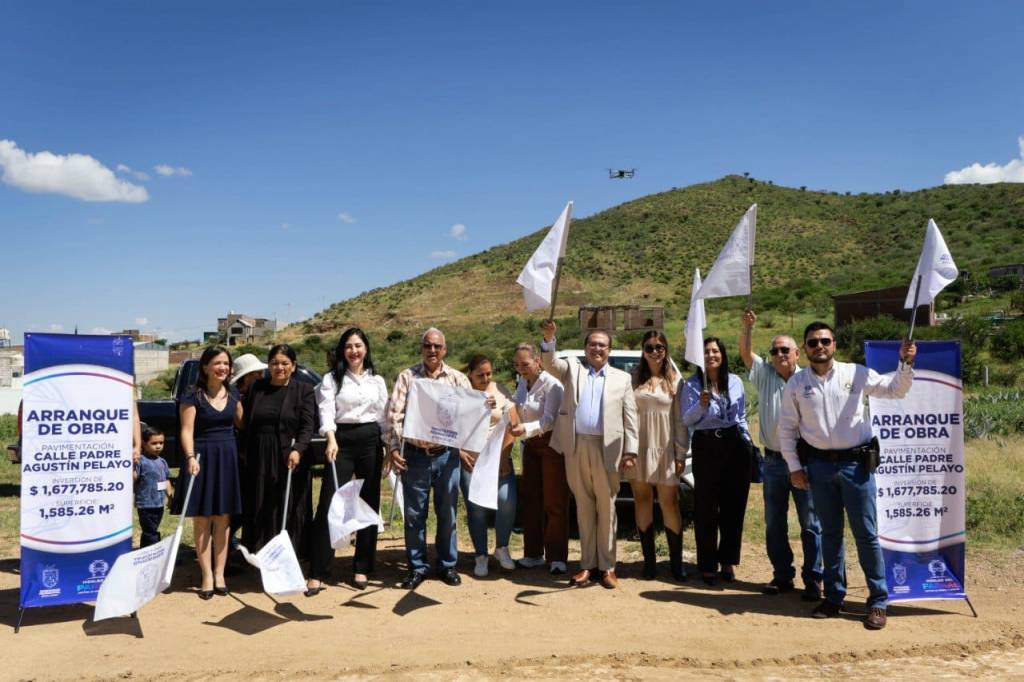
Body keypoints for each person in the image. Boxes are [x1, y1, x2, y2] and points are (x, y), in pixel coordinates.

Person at [778, 321, 916, 630]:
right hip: (819, 468)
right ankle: (835, 596)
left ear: (834, 344)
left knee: (866, 535)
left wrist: (905, 363)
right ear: (806, 348)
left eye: (824, 341)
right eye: (812, 342)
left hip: (856, 467)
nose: (819, 347)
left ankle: (878, 601)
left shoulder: (856, 373)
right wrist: (794, 468)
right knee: (830, 535)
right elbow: (786, 429)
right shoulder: (797, 384)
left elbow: (896, 389)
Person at [540, 319, 639, 589]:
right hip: (576, 447)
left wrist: (631, 450)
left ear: (609, 350)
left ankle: (607, 567)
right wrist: (549, 340)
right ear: (585, 348)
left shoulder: (623, 378)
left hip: (608, 450)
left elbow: (630, 419)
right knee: (584, 507)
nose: (597, 348)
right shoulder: (573, 369)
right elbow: (550, 364)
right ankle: (587, 566)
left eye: (602, 345)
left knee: (607, 507)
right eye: (593, 344)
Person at [738, 310, 823, 600]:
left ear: (797, 353)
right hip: (774, 461)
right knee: (774, 522)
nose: (779, 355)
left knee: (810, 523)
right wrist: (748, 328)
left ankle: (814, 578)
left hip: (806, 462)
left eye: (784, 350)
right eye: (774, 350)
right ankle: (782, 575)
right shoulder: (765, 376)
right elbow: (746, 353)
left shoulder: (809, 379)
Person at [386, 327, 475, 589]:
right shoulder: (407, 378)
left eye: (437, 346)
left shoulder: (458, 379)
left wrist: (484, 406)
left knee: (447, 513)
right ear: (422, 348)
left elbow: (470, 414)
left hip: (447, 457)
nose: (432, 350)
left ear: (445, 350)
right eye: (428, 346)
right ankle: (418, 567)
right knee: (415, 515)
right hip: (415, 456)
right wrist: (394, 448)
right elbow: (393, 416)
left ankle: (447, 566)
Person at [307, 328, 388, 595]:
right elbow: (326, 411)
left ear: (366, 349)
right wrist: (331, 439)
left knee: (367, 503)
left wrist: (389, 446)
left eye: (358, 345)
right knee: (331, 502)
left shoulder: (377, 381)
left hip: (371, 440)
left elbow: (383, 418)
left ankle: (362, 566)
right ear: (343, 351)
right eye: (349, 346)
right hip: (340, 440)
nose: (354, 351)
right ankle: (318, 570)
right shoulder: (332, 379)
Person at [681, 336, 753, 586]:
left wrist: (747, 441)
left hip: (734, 445)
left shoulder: (734, 381)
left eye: (715, 351)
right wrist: (700, 406)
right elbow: (687, 420)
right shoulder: (691, 385)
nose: (711, 355)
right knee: (706, 507)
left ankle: (728, 562)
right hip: (706, 445)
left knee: (733, 507)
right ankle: (708, 564)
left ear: (722, 354)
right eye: (706, 352)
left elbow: (741, 415)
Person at [176, 345, 243, 599]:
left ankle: (220, 574)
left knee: (223, 520)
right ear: (205, 367)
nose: (222, 367)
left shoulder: (234, 394)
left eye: (226, 363)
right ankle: (205, 575)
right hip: (201, 458)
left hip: (227, 458)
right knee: (203, 520)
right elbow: (186, 430)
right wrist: (190, 457)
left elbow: (242, 423)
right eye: (217, 363)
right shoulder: (193, 395)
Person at [240, 344, 316, 558]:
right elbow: (245, 420)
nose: (279, 367)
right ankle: (261, 553)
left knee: (287, 504)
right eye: (274, 363)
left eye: (285, 363)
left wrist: (298, 449)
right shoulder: (257, 388)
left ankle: (290, 555)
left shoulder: (304, 390)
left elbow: (307, 425)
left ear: (293, 366)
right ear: (268, 366)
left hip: (289, 455)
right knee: (260, 503)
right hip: (260, 455)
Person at [626, 330, 688, 581]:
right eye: (650, 347)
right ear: (643, 351)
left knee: (669, 502)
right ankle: (649, 563)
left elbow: (681, 421)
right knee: (642, 501)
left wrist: (681, 452)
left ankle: (676, 564)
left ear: (666, 350)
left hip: (665, 449)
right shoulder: (632, 380)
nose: (655, 352)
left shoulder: (676, 381)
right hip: (638, 448)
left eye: (659, 347)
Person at [510, 343, 569, 575]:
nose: (521, 368)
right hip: (530, 447)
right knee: (531, 500)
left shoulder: (553, 384)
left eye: (525, 364)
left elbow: (549, 421)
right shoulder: (522, 384)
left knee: (554, 502)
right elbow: (516, 406)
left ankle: (557, 558)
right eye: (517, 364)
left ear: (538, 361)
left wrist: (523, 428)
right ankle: (533, 554)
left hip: (552, 446)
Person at [460, 354, 518, 578]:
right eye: (480, 375)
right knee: (476, 509)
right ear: (470, 376)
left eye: (488, 374)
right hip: (471, 459)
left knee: (507, 500)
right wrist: (460, 452)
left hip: (498, 457)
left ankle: (501, 548)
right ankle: (481, 555)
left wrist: (505, 457)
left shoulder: (501, 391)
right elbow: (452, 425)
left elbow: (512, 424)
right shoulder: (463, 394)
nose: (485, 378)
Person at [134, 426, 172, 548]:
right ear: (144, 444)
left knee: (151, 529)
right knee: (150, 531)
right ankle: (155, 550)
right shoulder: (141, 461)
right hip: (145, 504)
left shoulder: (162, 462)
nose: (158, 446)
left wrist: (170, 497)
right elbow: (134, 478)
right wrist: (132, 463)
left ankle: (145, 550)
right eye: (154, 443)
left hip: (159, 504)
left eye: (161, 443)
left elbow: (166, 481)